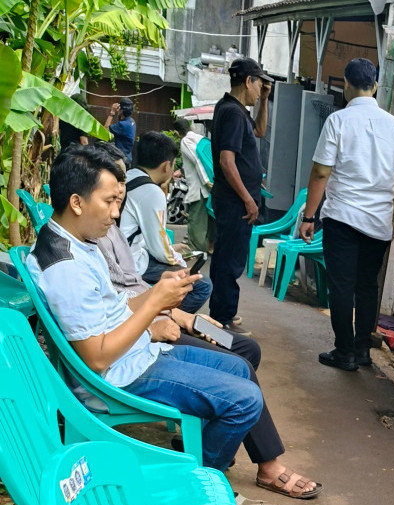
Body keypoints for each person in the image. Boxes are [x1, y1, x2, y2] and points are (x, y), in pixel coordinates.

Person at [95, 144, 321, 499]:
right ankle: (253, 464)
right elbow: (105, 328)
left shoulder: (102, 232)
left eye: (118, 194)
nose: (118, 207)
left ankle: (214, 441)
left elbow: (125, 292)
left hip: (149, 324)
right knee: (240, 365)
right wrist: (159, 315)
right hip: (142, 338)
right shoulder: (79, 250)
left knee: (244, 348)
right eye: (112, 196)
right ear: (81, 198)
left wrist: (173, 311)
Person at [27, 143, 262, 473]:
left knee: (239, 369)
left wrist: (163, 299)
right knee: (246, 400)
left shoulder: (78, 240)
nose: (115, 213)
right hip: (118, 377)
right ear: (77, 203)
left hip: (136, 356)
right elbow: (96, 358)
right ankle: (197, 477)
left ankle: (196, 455)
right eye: (109, 201)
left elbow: (116, 304)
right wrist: (154, 305)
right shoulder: (65, 266)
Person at [300, 58, 394, 372]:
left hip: (343, 218)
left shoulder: (338, 121)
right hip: (378, 224)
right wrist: (392, 217)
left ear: (347, 84)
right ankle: (362, 350)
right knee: (366, 287)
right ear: (375, 86)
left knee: (342, 286)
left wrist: (309, 217)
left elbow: (321, 172)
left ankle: (344, 351)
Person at [209, 58, 272, 335]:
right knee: (230, 260)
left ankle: (224, 314)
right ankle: (222, 319)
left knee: (227, 257)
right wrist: (248, 199)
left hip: (232, 200)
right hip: (235, 202)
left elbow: (259, 131)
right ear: (248, 81)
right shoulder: (233, 113)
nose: (261, 88)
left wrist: (265, 102)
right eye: (259, 83)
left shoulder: (234, 109)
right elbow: (227, 161)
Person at [119, 131, 212, 313]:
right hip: (130, 262)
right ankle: (166, 318)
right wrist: (180, 261)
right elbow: (159, 249)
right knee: (202, 285)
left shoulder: (128, 177)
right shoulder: (151, 192)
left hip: (120, 252)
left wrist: (172, 249)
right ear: (166, 166)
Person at [174, 119, 215, 253]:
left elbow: (197, 160)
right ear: (190, 126)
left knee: (196, 222)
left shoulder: (185, 141)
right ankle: (210, 246)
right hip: (211, 186)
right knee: (209, 221)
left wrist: (205, 181)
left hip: (199, 189)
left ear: (176, 132)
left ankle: (196, 250)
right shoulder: (201, 139)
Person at [105, 97, 136, 166]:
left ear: (121, 110)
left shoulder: (123, 125)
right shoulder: (131, 121)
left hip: (121, 159)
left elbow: (105, 130)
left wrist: (112, 112)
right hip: (127, 157)